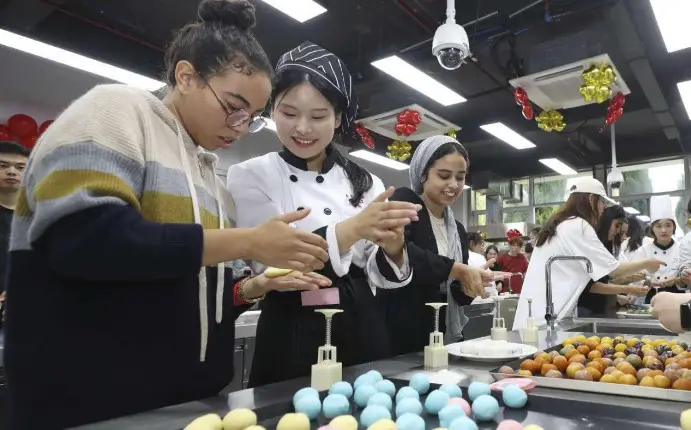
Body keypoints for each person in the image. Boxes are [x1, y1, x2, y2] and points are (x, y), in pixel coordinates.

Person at [3, 2, 333, 428]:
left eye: (250, 119)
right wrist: (249, 241)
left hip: (185, 402)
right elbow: (83, 240)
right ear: (186, 76)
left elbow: (198, 289)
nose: (238, 125)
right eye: (232, 105)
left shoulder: (212, 179)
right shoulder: (117, 111)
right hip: (88, 402)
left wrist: (252, 286)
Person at [226, 42, 421, 386]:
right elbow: (271, 259)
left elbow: (377, 273)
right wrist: (354, 227)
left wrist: (393, 248)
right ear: (272, 110)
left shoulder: (366, 181)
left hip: (362, 322)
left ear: (339, 117)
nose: (303, 128)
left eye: (318, 116)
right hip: (292, 328)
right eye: (288, 113)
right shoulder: (250, 175)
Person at [375, 135, 509, 351]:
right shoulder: (406, 203)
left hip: (446, 335)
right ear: (422, 175)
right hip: (405, 332)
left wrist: (470, 285)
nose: (453, 185)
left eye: (460, 177)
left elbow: (453, 293)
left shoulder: (456, 228)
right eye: (444, 175)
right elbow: (404, 254)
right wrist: (456, 270)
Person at [513, 177, 664, 330]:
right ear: (592, 199)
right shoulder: (578, 225)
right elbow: (613, 270)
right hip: (545, 320)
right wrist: (647, 262)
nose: (602, 209)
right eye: (602, 203)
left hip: (536, 317)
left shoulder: (560, 223)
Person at [577, 205, 648, 317]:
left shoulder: (610, 247)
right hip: (586, 307)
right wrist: (629, 285)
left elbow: (607, 279)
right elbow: (592, 286)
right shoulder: (594, 245)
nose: (623, 236)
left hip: (602, 306)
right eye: (617, 227)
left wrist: (624, 288)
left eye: (624, 232)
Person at [0, 141, 30, 317]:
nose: (12, 171)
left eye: (20, 167)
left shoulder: (40, 217)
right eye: (3, 165)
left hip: (25, 310)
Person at [639, 195, 683, 303]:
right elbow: (637, 280)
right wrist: (648, 282)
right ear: (652, 229)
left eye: (668, 225)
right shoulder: (644, 250)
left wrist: (675, 281)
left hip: (677, 298)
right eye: (658, 226)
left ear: (674, 228)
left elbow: (687, 280)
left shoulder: (682, 249)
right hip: (652, 297)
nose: (663, 230)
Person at [467, 232, 500, 296]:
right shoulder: (477, 257)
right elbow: (486, 274)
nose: (481, 248)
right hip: (482, 297)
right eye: (480, 244)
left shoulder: (465, 256)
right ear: (472, 243)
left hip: (477, 296)